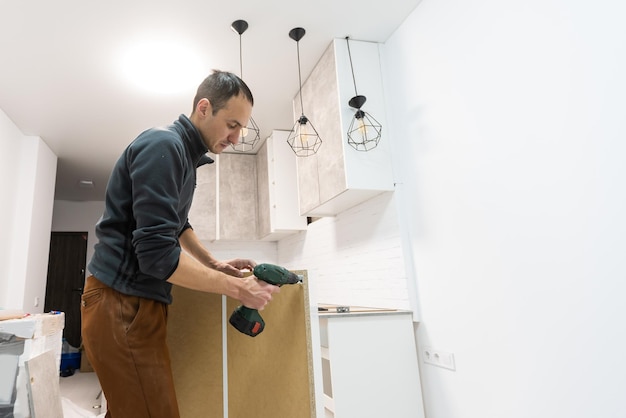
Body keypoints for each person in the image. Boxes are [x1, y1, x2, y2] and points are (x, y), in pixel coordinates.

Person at [81, 70, 280, 418]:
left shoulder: (184, 156)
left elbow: (178, 225)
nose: (236, 138)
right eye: (232, 124)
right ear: (204, 108)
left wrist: (214, 264)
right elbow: (157, 256)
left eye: (242, 129)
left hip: (134, 303)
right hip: (121, 302)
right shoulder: (164, 145)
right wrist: (237, 288)